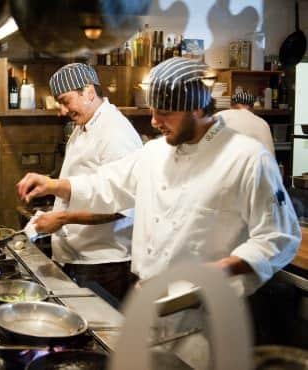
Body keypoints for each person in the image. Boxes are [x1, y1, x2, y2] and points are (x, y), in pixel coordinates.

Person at [18, 57, 300, 297]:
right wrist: (53, 185)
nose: (154, 121)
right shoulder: (155, 153)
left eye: (164, 112)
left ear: (197, 108)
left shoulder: (247, 158)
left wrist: (222, 269)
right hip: (149, 300)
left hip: (208, 306)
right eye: (153, 111)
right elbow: (108, 184)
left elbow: (279, 236)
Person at [32, 63, 143, 302]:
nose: (62, 111)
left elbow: (124, 208)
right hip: (78, 258)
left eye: (65, 101)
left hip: (104, 263)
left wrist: (63, 218)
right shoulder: (84, 126)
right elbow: (85, 185)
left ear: (89, 91)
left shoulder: (115, 132)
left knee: (103, 336)